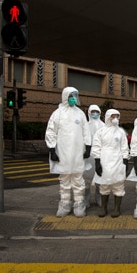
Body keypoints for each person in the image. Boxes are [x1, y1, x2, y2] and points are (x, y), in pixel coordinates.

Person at [45, 87, 92, 218]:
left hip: (78, 153)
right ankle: (65, 204)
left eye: (75, 96)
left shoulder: (80, 114)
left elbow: (86, 131)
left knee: (78, 179)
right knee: (64, 180)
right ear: (65, 96)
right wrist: (52, 150)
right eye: (71, 96)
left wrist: (88, 147)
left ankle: (79, 204)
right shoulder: (57, 113)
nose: (74, 98)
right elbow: (50, 132)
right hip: (63, 153)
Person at [91, 109, 129, 217]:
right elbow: (96, 147)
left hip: (118, 160)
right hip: (104, 160)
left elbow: (124, 147)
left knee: (118, 184)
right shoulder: (101, 132)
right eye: (113, 116)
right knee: (104, 184)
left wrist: (125, 160)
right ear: (108, 117)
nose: (115, 119)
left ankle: (117, 208)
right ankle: (104, 208)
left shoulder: (120, 132)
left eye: (117, 116)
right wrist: (97, 162)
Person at [86, 105, 105, 206]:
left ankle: (99, 197)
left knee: (100, 177)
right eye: (93, 112)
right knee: (86, 179)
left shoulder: (104, 126)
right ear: (89, 113)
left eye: (97, 112)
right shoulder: (85, 126)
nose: (95, 114)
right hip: (88, 155)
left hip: (101, 155)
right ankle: (86, 199)